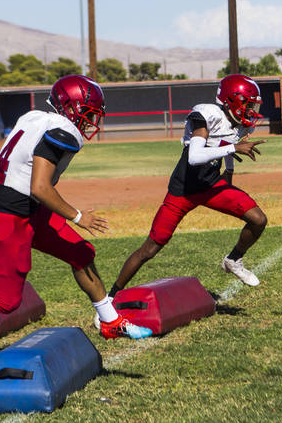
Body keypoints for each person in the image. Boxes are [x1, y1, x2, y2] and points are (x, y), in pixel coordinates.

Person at [0, 74, 151, 353]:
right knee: (7, 301)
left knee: (80, 253)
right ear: (70, 107)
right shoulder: (62, 130)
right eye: (88, 113)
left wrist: (3, 178)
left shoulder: (33, 118)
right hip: (6, 219)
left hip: (28, 210)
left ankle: (110, 321)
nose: (92, 121)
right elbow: (40, 188)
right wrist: (79, 217)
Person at [106, 74, 269, 303]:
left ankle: (234, 259)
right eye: (249, 104)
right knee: (150, 249)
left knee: (258, 219)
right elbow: (195, 157)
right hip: (182, 191)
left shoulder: (237, 123)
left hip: (211, 185)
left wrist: (229, 172)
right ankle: (109, 298)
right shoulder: (207, 115)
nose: (252, 110)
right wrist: (232, 149)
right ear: (233, 100)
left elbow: (231, 143)